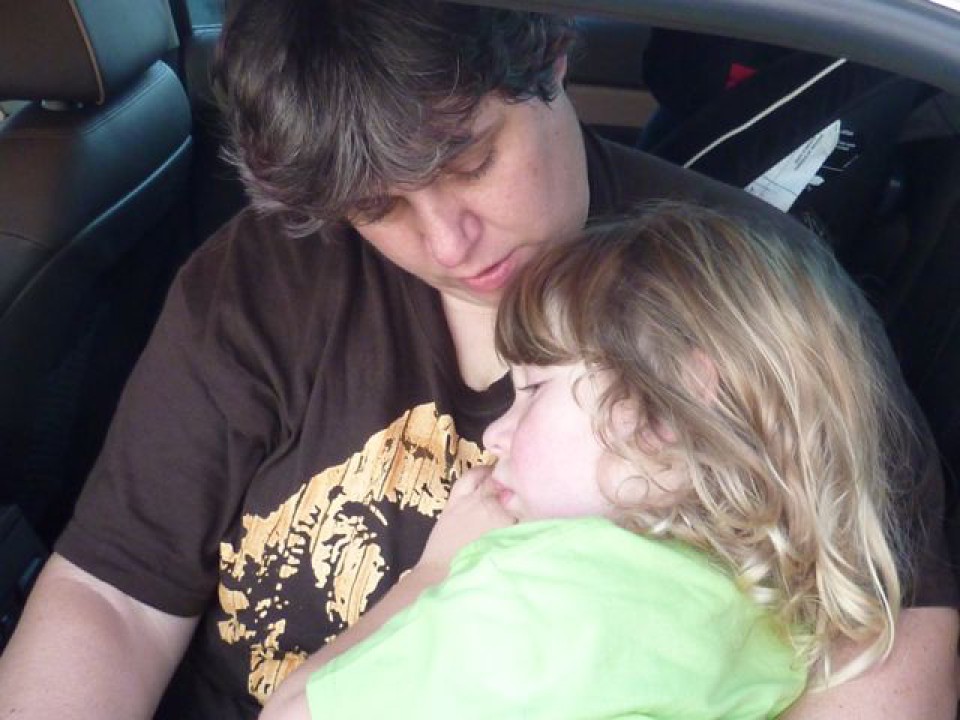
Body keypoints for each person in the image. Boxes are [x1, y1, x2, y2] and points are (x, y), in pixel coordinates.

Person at [0, 2, 956, 719]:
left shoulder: (750, 295)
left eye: (468, 163)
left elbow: (886, 625)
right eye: (377, 207)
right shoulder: (260, 279)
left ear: (552, 54)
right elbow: (112, 597)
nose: (447, 243)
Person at [257, 202, 909, 719]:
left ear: (668, 409)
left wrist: (431, 572)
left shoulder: (536, 600)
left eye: (534, 390)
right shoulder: (771, 627)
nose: (495, 435)